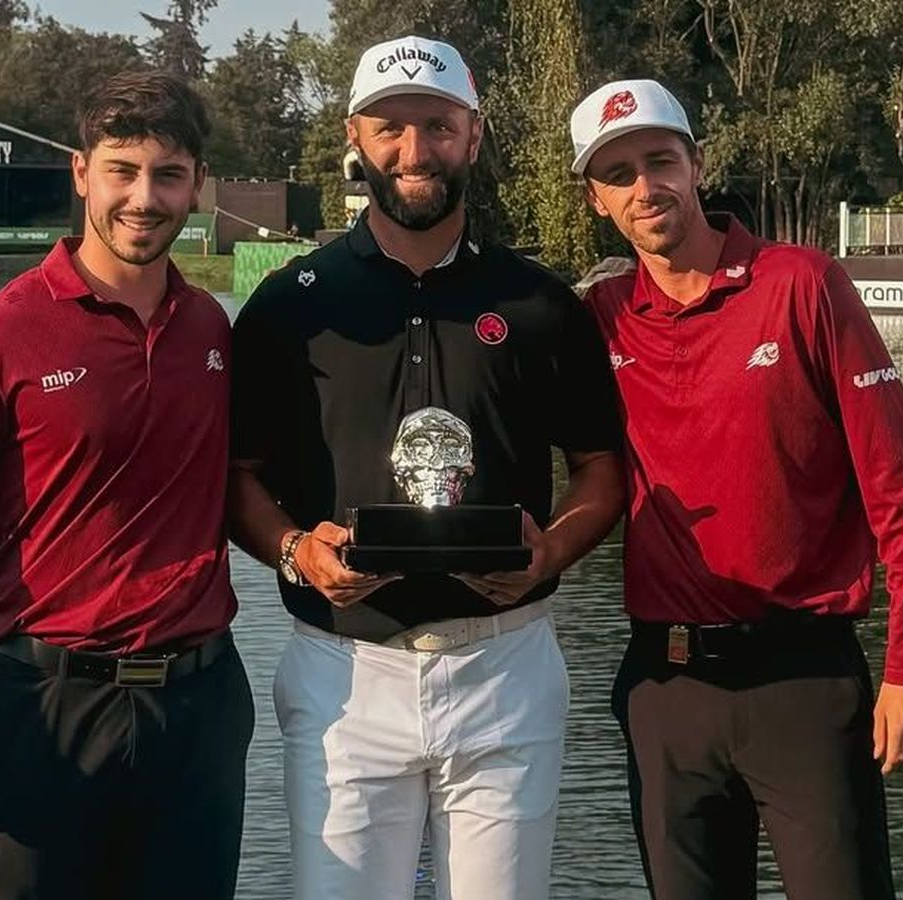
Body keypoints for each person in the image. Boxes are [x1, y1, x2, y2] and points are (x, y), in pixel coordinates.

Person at [227, 35, 625, 900]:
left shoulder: (540, 303)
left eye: (438, 126)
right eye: (391, 128)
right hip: (344, 670)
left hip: (506, 665)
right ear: (355, 137)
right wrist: (295, 551)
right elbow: (236, 476)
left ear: (473, 135)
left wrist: (551, 553)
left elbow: (601, 469)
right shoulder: (291, 304)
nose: (416, 150)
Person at [569, 79, 903, 900]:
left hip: (803, 683)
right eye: (619, 174)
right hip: (667, 691)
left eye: (661, 161)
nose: (646, 187)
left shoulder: (802, 284)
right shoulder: (601, 317)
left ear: (697, 164)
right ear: (596, 199)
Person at [0, 70, 252, 899]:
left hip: (198, 708)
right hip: (44, 706)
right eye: (122, 170)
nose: (144, 198)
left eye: (168, 175)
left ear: (197, 184)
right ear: (82, 171)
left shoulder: (209, 328)